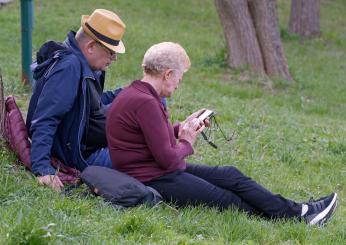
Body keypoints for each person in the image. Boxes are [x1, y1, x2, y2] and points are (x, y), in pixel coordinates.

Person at [106, 42, 338, 226]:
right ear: (167, 74)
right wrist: (187, 141)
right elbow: (167, 158)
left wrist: (183, 127)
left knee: (230, 175)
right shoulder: (145, 102)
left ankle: (299, 211)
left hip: (159, 171)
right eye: (179, 78)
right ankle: (299, 217)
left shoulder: (138, 93)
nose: (178, 84)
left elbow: (150, 135)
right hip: (154, 178)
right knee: (226, 198)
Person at [26, 9, 126, 191]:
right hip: (81, 156)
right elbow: (46, 118)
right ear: (91, 47)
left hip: (88, 144)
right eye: (111, 52)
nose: (115, 58)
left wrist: (129, 93)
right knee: (146, 155)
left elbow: (88, 102)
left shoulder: (81, 64)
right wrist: (42, 169)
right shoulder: (69, 68)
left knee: (149, 98)